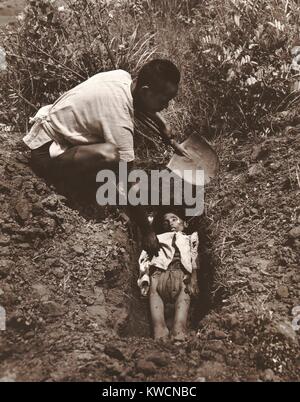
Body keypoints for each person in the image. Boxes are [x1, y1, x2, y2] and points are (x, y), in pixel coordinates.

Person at [23, 59, 187, 256]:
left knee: (114, 163)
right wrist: (147, 230)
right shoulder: (119, 121)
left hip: (58, 129)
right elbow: (128, 180)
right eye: (163, 101)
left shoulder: (122, 77)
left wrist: (162, 124)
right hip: (45, 151)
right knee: (111, 156)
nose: (167, 106)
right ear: (145, 90)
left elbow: (142, 102)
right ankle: (73, 186)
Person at [137, 209, 199, 341]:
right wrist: (144, 277)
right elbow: (145, 258)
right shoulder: (157, 238)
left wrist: (194, 278)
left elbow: (194, 258)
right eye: (166, 222)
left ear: (185, 224)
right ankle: (159, 328)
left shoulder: (189, 238)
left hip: (181, 274)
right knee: (154, 293)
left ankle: (179, 328)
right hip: (159, 274)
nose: (170, 223)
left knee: (184, 294)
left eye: (174, 219)